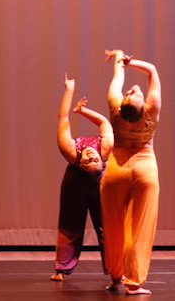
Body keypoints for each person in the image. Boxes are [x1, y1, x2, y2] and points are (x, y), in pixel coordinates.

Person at [100, 49, 161, 294]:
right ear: (142, 105)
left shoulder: (115, 107)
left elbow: (117, 77)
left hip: (116, 168)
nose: (133, 89)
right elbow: (152, 72)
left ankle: (116, 277)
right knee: (139, 227)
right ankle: (133, 282)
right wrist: (131, 61)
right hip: (144, 167)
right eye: (133, 93)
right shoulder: (152, 109)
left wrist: (119, 58)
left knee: (112, 224)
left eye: (131, 92)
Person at [50, 73, 113, 281]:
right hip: (75, 183)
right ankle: (62, 269)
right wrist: (83, 111)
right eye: (91, 160)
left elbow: (63, 119)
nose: (90, 156)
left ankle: (114, 271)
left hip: (98, 183)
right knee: (71, 223)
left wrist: (69, 90)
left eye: (89, 161)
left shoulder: (71, 153)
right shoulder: (104, 149)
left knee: (106, 226)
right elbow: (103, 122)